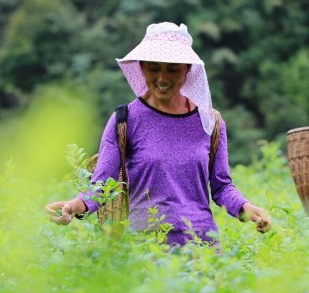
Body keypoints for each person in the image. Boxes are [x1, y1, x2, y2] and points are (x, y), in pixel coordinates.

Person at [45, 22, 272, 249]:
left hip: (203, 250)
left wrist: (247, 208)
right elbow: (102, 186)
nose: (162, 78)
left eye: (172, 69)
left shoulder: (210, 122)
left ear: (187, 70)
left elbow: (221, 187)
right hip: (146, 249)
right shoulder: (125, 120)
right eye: (154, 68)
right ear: (142, 68)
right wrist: (74, 206)